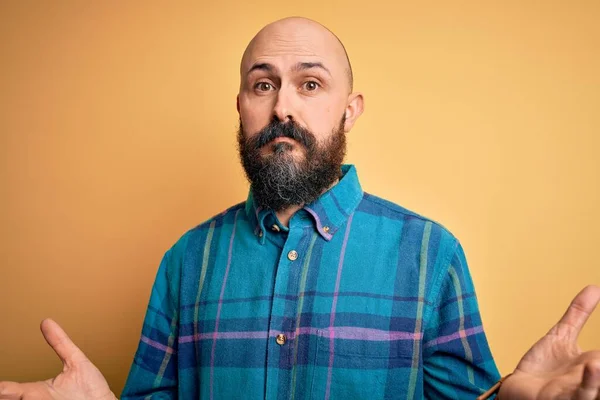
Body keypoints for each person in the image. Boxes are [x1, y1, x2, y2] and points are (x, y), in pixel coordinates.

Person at [1, 16, 599, 400]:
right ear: (241, 105)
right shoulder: (186, 261)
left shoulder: (429, 254)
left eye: (310, 84)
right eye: (263, 85)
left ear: (350, 108)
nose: (283, 105)